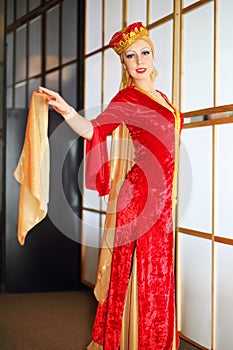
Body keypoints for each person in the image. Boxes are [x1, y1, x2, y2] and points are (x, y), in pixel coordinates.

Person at [38, 22, 183, 350]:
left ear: (152, 54)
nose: (139, 60)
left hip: (163, 202)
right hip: (141, 199)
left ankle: (157, 340)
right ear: (125, 65)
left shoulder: (162, 97)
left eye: (144, 52)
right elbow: (94, 130)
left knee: (158, 273)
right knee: (142, 273)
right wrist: (67, 111)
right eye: (131, 56)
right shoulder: (127, 98)